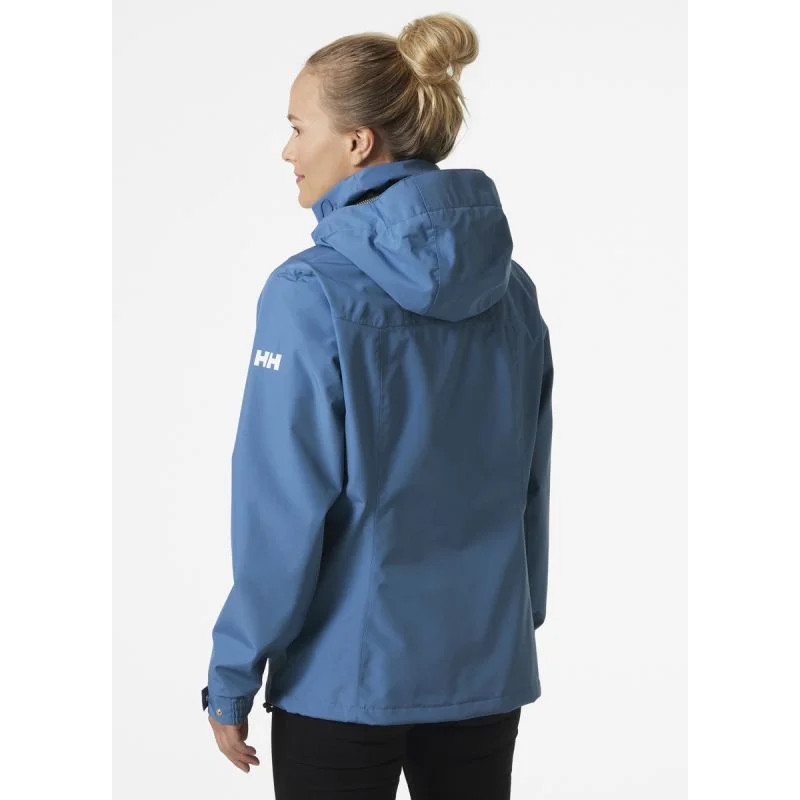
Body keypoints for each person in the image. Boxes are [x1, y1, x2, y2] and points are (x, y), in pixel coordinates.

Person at [201, 12, 554, 799]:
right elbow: (529, 476)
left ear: (358, 143)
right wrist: (510, 623)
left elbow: (281, 505)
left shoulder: (307, 293)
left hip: (345, 677)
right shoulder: (512, 290)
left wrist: (233, 670)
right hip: (482, 668)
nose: (288, 151)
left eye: (298, 128)